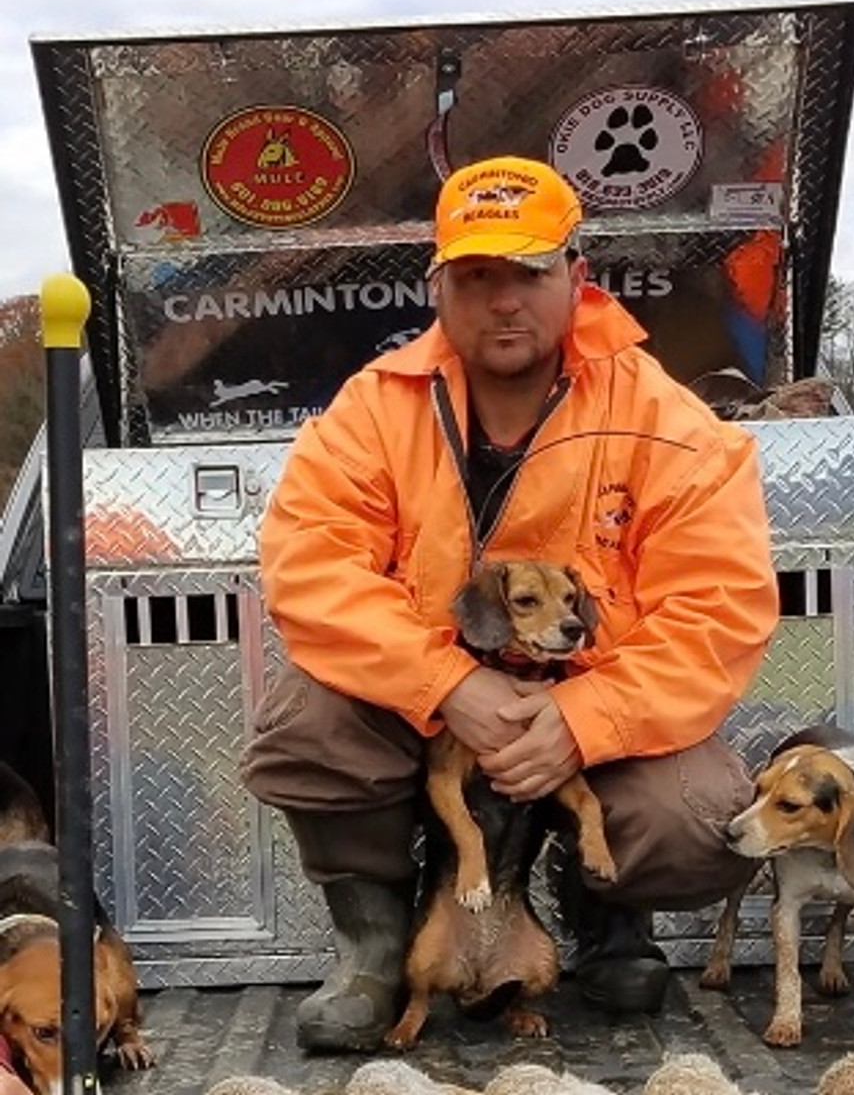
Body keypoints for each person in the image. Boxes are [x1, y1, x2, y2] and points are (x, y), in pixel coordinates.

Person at [242, 154, 779, 1052]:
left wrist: (581, 717)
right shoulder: (372, 410)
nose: (502, 300)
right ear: (438, 286)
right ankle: (379, 948)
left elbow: (717, 612)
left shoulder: (670, 422)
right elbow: (310, 565)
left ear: (577, 277)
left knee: (699, 821)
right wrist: (448, 683)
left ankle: (601, 917)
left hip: (591, 725)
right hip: (428, 712)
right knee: (305, 728)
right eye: (475, 275)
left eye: (527, 272)